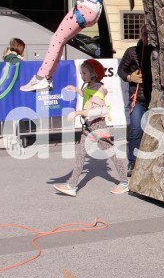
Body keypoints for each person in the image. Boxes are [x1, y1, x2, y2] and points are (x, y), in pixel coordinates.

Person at [54, 59, 129, 197]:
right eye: (81, 73)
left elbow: (99, 110)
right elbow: (86, 95)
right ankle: (71, 185)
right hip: (89, 127)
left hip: (98, 126)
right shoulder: (91, 86)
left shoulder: (98, 89)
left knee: (111, 153)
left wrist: (78, 113)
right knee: (81, 154)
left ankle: (124, 182)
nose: (82, 76)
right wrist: (76, 89)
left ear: (93, 74)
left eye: (84, 73)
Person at [117, 24, 154, 177]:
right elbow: (121, 70)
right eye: (145, 34)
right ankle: (132, 162)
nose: (147, 37)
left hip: (154, 99)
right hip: (137, 99)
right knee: (135, 130)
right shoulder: (132, 52)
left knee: (153, 132)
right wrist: (130, 77)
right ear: (141, 34)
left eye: (150, 35)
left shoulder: (156, 51)